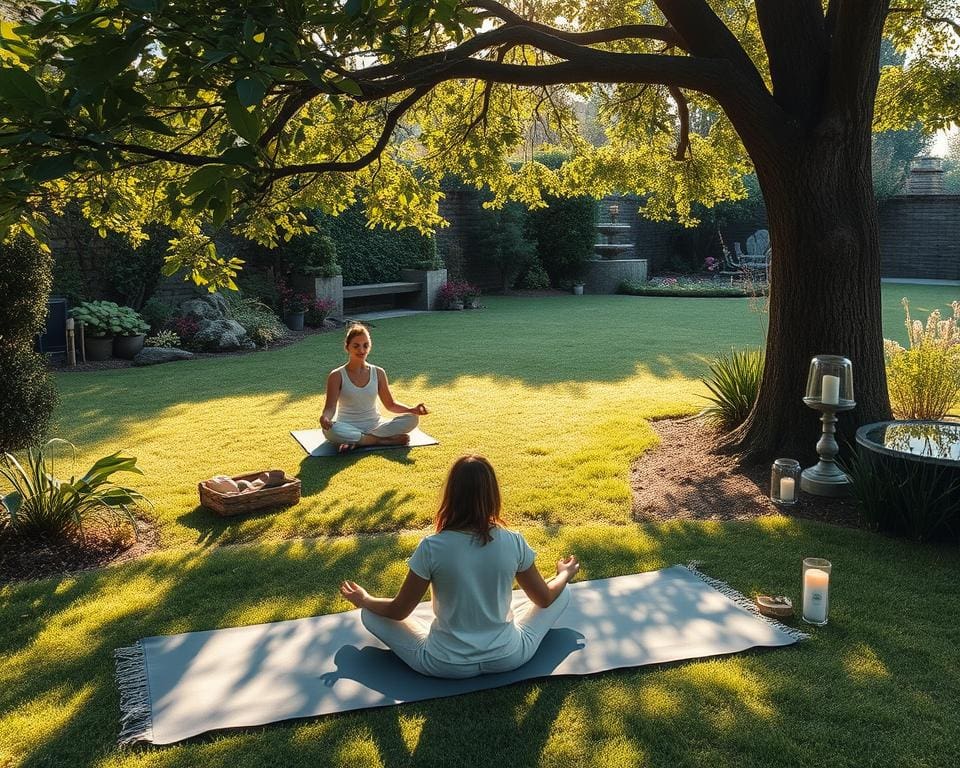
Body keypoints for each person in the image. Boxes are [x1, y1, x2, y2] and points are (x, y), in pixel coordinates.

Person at [340, 455, 580, 678]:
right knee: (562, 591)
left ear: (451, 495)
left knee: (369, 613)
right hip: (509, 657)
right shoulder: (513, 540)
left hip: (443, 664)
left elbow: (399, 610)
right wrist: (564, 574)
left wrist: (365, 599)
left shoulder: (432, 547)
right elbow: (545, 599)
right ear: (493, 495)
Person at [320, 323, 428, 452]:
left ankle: (361, 441)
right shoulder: (336, 375)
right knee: (331, 431)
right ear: (347, 347)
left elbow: (390, 405)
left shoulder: (378, 372)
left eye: (365, 345)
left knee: (412, 419)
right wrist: (325, 418)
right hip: (348, 427)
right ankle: (379, 441)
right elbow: (330, 407)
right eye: (356, 346)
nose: (361, 350)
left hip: (376, 426)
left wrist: (412, 409)